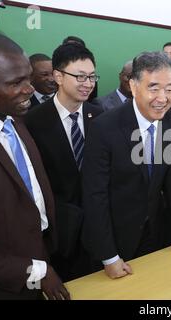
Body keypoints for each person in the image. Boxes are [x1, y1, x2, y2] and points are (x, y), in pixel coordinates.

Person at [0, 29, 69, 300]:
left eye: (28, 78)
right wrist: (34, 272)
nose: (30, 89)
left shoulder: (15, 119)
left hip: (42, 259)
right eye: (15, 83)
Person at [81, 52, 171, 279]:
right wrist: (108, 256)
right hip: (115, 239)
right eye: (154, 88)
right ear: (133, 85)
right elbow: (94, 195)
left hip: (157, 234)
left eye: (170, 89)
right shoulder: (104, 127)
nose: (163, 98)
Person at [25, 43, 103, 281]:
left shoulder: (99, 117)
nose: (88, 83)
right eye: (80, 76)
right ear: (58, 76)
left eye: (91, 76)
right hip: (58, 234)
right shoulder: (31, 122)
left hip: (97, 229)